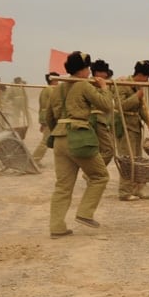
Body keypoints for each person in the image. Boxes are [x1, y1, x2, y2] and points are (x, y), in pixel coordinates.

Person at [46, 51, 112, 237]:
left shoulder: (57, 88)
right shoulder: (83, 85)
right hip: (79, 137)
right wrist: (104, 87)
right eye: (88, 68)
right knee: (100, 176)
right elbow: (106, 105)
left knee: (63, 186)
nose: (89, 72)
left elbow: (49, 117)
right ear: (82, 69)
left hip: (59, 138)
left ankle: (57, 227)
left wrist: (59, 131)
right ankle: (85, 213)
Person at [114, 60, 149, 201]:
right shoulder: (123, 84)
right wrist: (136, 97)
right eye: (146, 77)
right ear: (140, 74)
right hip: (125, 126)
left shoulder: (138, 86)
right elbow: (120, 106)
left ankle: (138, 189)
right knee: (128, 159)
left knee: (138, 159)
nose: (147, 80)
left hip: (136, 125)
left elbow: (141, 108)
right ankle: (125, 191)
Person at [32, 72, 60, 165]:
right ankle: (34, 160)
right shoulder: (51, 90)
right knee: (45, 141)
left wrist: (41, 121)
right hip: (49, 117)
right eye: (57, 80)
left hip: (44, 116)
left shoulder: (45, 89)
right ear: (53, 80)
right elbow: (54, 104)